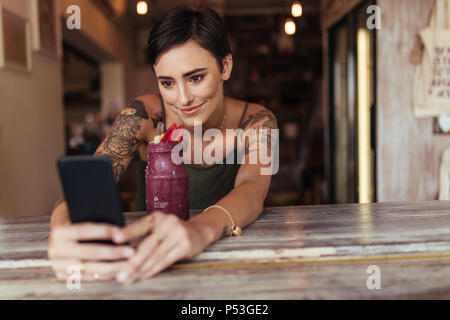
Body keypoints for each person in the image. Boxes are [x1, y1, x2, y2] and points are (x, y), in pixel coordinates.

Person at [48, 6, 278, 285]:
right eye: (167, 83)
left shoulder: (259, 121)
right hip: (144, 258)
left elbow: (253, 189)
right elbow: (89, 182)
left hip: (224, 262)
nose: (182, 99)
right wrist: (60, 228)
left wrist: (197, 232)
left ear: (225, 67)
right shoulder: (144, 115)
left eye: (196, 78)